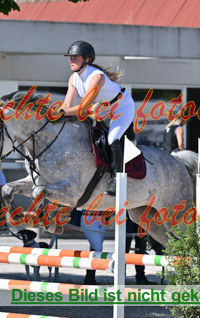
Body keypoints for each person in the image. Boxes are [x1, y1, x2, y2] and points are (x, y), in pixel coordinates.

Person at [61, 41, 136, 196]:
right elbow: (66, 106)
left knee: (112, 138)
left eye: (75, 58)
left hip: (122, 106)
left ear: (86, 60)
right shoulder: (73, 79)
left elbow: (82, 108)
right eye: (70, 58)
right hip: (101, 108)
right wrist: (50, 114)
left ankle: (116, 179)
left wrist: (60, 112)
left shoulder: (97, 77)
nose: (70, 61)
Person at [80, 208, 108, 285]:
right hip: (89, 217)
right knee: (98, 248)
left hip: (102, 218)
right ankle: (89, 278)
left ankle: (90, 278)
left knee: (94, 248)